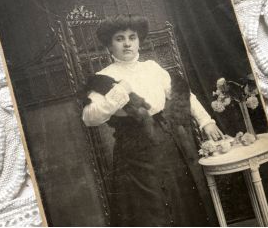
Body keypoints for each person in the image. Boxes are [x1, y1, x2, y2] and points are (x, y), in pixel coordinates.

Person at [82, 14, 221, 226]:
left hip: (165, 141)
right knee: (150, 208)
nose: (127, 43)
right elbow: (89, 118)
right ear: (109, 45)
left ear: (139, 41)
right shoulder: (103, 77)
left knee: (180, 199)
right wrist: (118, 93)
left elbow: (183, 95)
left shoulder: (152, 67)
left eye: (132, 37)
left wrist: (206, 121)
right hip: (133, 149)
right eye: (120, 38)